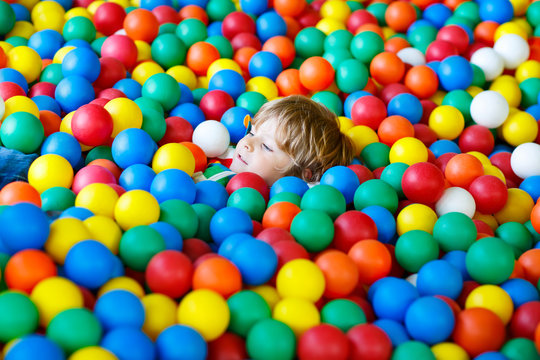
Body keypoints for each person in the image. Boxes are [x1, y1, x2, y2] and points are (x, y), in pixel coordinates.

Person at [196, 95, 356, 186]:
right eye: (251, 133)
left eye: (266, 146)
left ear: (302, 175)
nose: (247, 144)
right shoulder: (219, 156)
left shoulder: (289, 202)